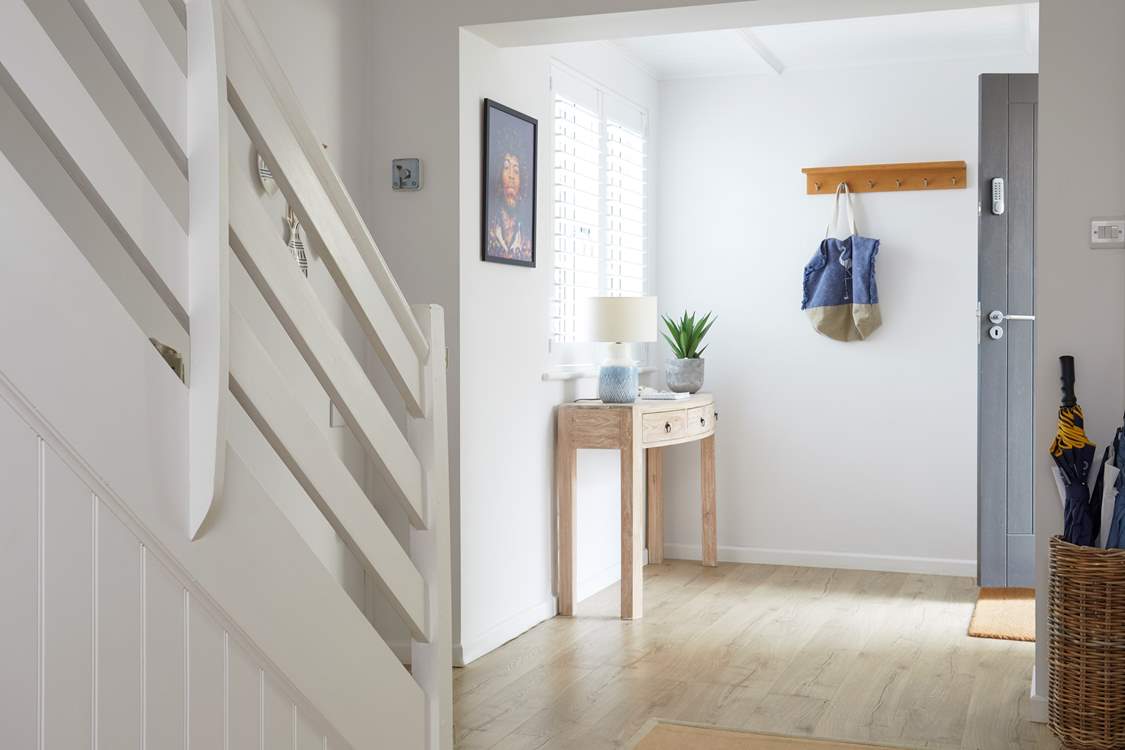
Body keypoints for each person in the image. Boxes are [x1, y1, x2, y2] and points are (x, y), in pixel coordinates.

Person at [486, 119, 533, 262]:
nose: (511, 176)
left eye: (516, 170)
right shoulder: (489, 233)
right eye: (506, 168)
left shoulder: (527, 243)